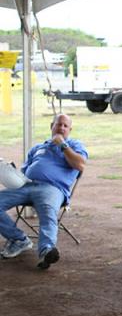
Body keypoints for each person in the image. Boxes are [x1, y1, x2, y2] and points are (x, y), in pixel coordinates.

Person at [0, 113, 87, 269]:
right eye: (58, 124)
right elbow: (24, 172)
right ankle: (19, 239)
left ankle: (47, 251)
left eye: (65, 126)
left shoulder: (75, 145)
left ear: (70, 130)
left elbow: (80, 165)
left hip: (53, 189)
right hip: (26, 186)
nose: (61, 128)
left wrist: (63, 145)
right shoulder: (38, 148)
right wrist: (10, 173)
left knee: (47, 212)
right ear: (51, 126)